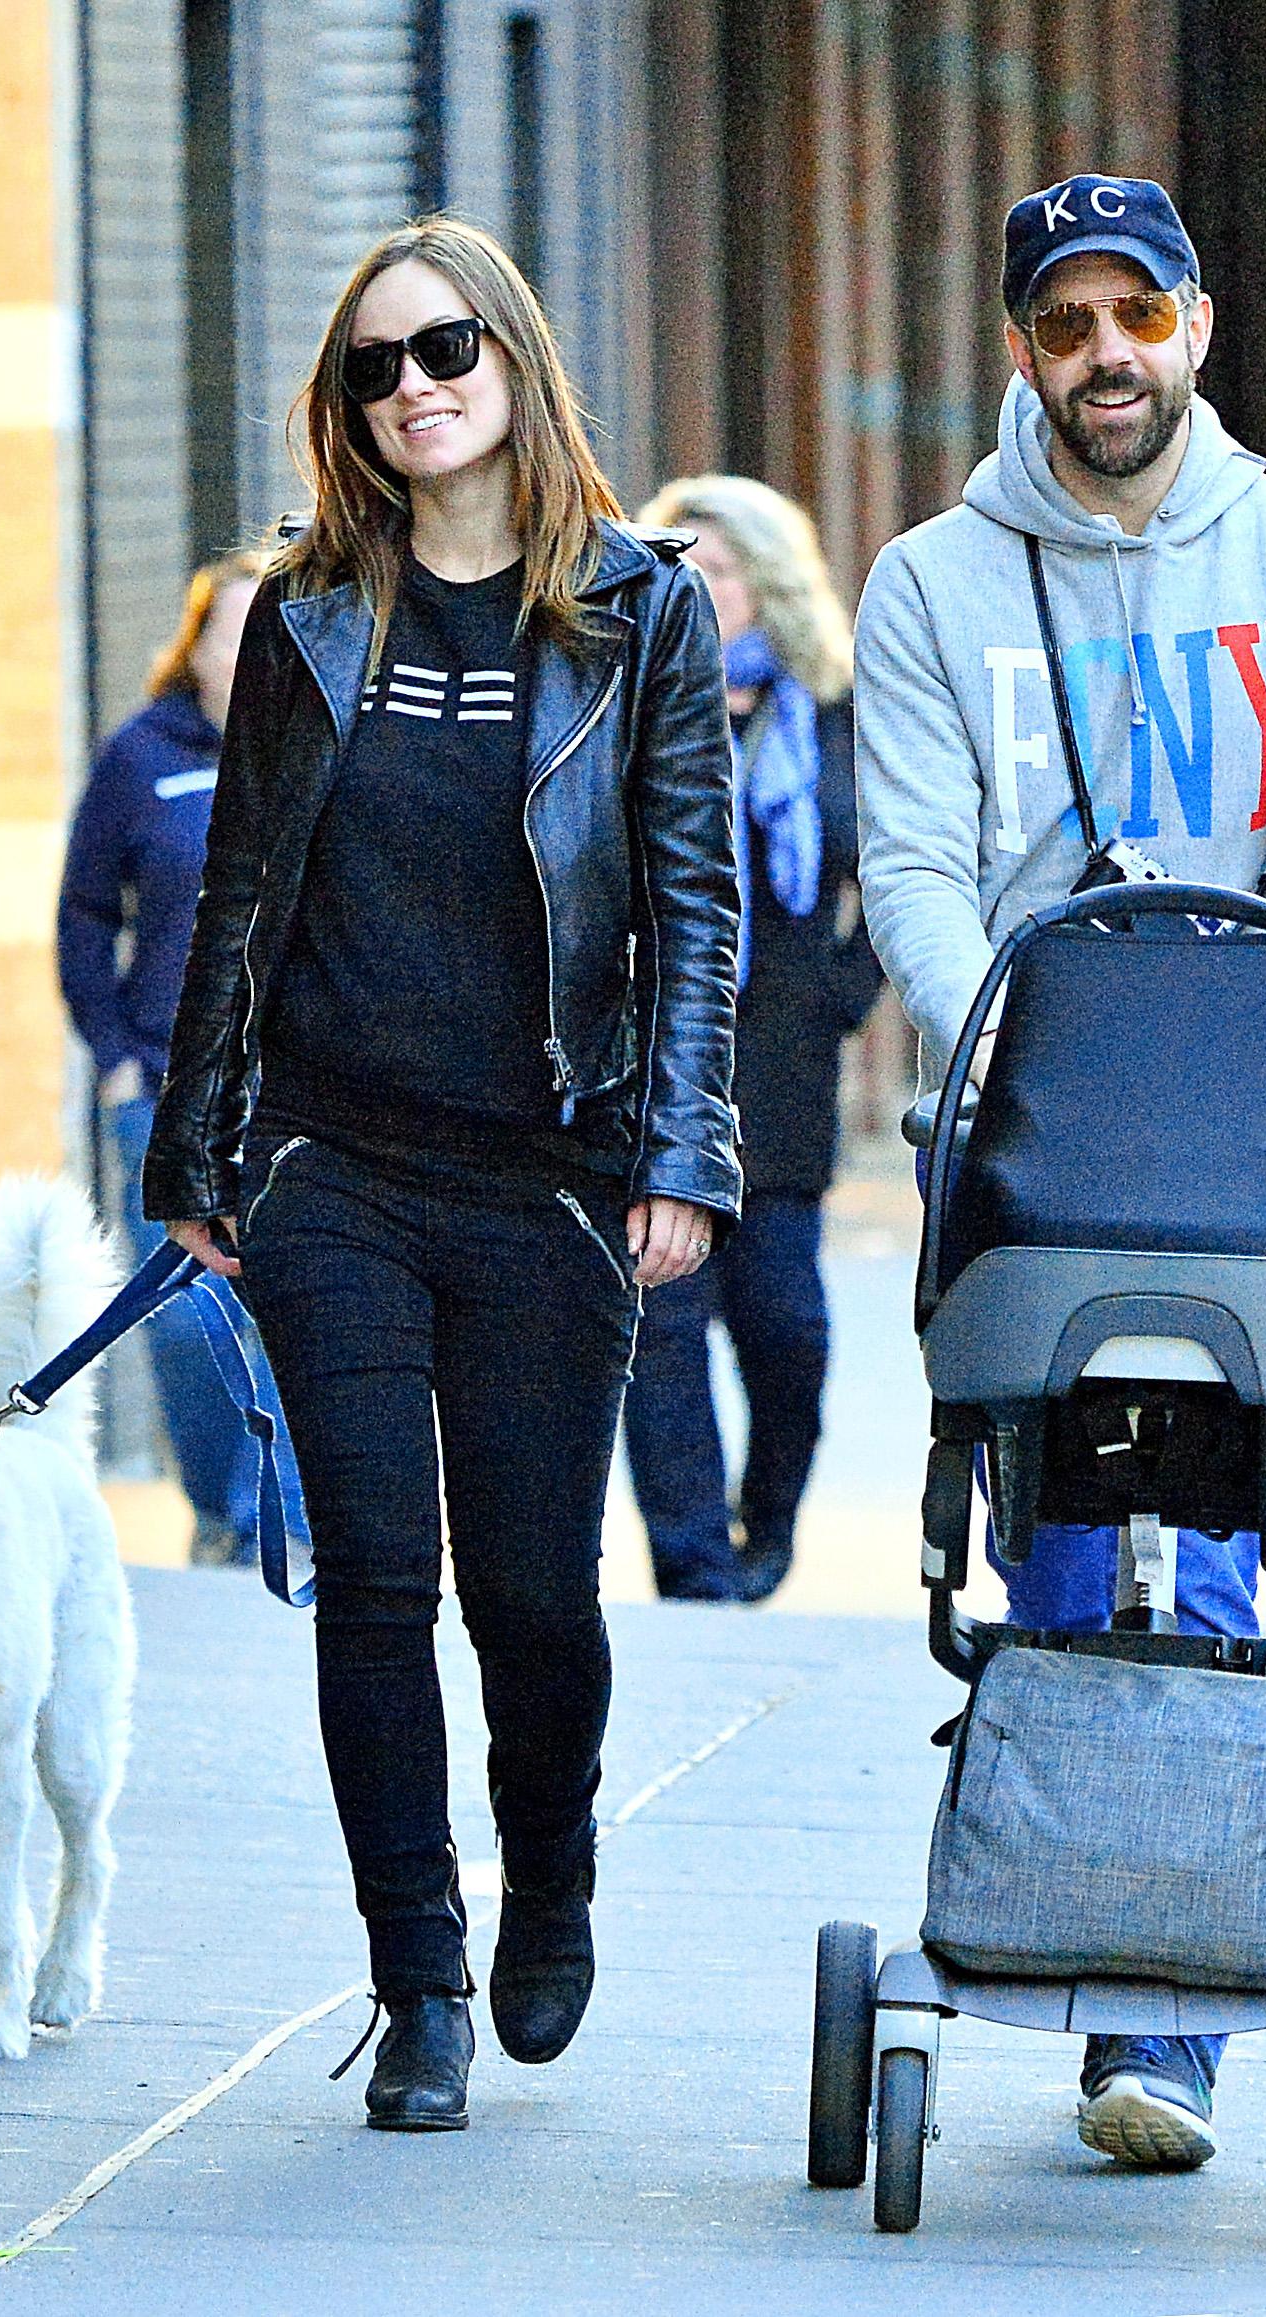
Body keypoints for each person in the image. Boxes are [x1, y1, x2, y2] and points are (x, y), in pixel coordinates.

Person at [140, 217, 740, 2131]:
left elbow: (694, 909)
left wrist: (684, 1148)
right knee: (374, 1583)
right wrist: (196, 1147)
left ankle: (546, 1869)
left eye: (447, 349)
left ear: (517, 362)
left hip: (549, 1173)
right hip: (337, 1166)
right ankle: (417, 1982)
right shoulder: (307, 617)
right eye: (377, 368)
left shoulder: (639, 610)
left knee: (539, 1600)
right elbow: (239, 901)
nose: (415, 388)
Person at [855, 173, 1266, 2175]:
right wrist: (1000, 1045)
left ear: (1195, 325)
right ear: (1022, 349)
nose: (1108, 354)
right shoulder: (931, 584)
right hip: (1041, 1137)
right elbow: (913, 866)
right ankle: (1126, 1990)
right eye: (1067, 323)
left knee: (1232, 1531)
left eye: (1140, 315)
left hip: (1258, 1138)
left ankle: (1162, 1991)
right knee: (1068, 1531)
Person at [621, 477, 879, 1603]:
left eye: (722, 570)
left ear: (770, 588)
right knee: (661, 1330)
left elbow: (903, 870)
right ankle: (693, 1562)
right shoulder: (624, 703)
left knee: (789, 1332)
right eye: (681, 567)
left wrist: (842, 987)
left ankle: (765, 1521)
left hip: (781, 1069)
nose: (701, 589)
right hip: (648, 1070)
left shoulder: (833, 721)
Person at [59, 552, 300, 1568]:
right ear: (194, 647)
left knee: (291, 1306)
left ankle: (274, 1528)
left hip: (294, 1087)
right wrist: (113, 1051)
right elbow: (82, 913)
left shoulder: (320, 743)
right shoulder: (141, 757)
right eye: (229, 632)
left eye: (269, 632)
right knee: (182, 1319)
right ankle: (218, 1509)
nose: (247, 653)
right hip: (161, 1087)